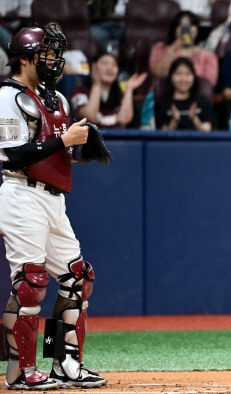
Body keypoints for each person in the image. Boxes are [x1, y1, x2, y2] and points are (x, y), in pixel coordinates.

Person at [0, 24, 108, 390]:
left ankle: (66, 365)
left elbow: (50, 150)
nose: (53, 60)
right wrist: (64, 140)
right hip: (20, 194)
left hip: (52, 198)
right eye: (46, 54)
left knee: (78, 278)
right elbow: (12, 154)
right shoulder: (8, 95)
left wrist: (79, 153)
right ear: (25, 58)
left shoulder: (56, 99)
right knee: (30, 284)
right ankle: (18, 373)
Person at [70, 52, 147, 128]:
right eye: (104, 63)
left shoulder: (121, 95)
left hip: (115, 139)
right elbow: (90, 116)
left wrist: (129, 89)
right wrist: (96, 84)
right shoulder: (79, 92)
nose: (109, 68)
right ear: (94, 66)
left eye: (114, 65)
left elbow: (124, 120)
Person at [149, 10, 219, 86]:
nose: (186, 30)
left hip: (195, 96)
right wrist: (173, 48)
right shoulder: (160, 47)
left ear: (197, 29)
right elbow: (158, 74)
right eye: (181, 26)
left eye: (190, 25)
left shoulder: (207, 55)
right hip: (163, 94)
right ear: (175, 29)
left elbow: (209, 84)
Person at [155, 57, 214, 132]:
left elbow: (207, 131)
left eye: (188, 74)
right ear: (171, 77)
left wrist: (194, 119)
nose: (183, 79)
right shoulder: (162, 104)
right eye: (179, 74)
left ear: (194, 77)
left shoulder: (203, 103)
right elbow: (161, 133)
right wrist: (174, 121)